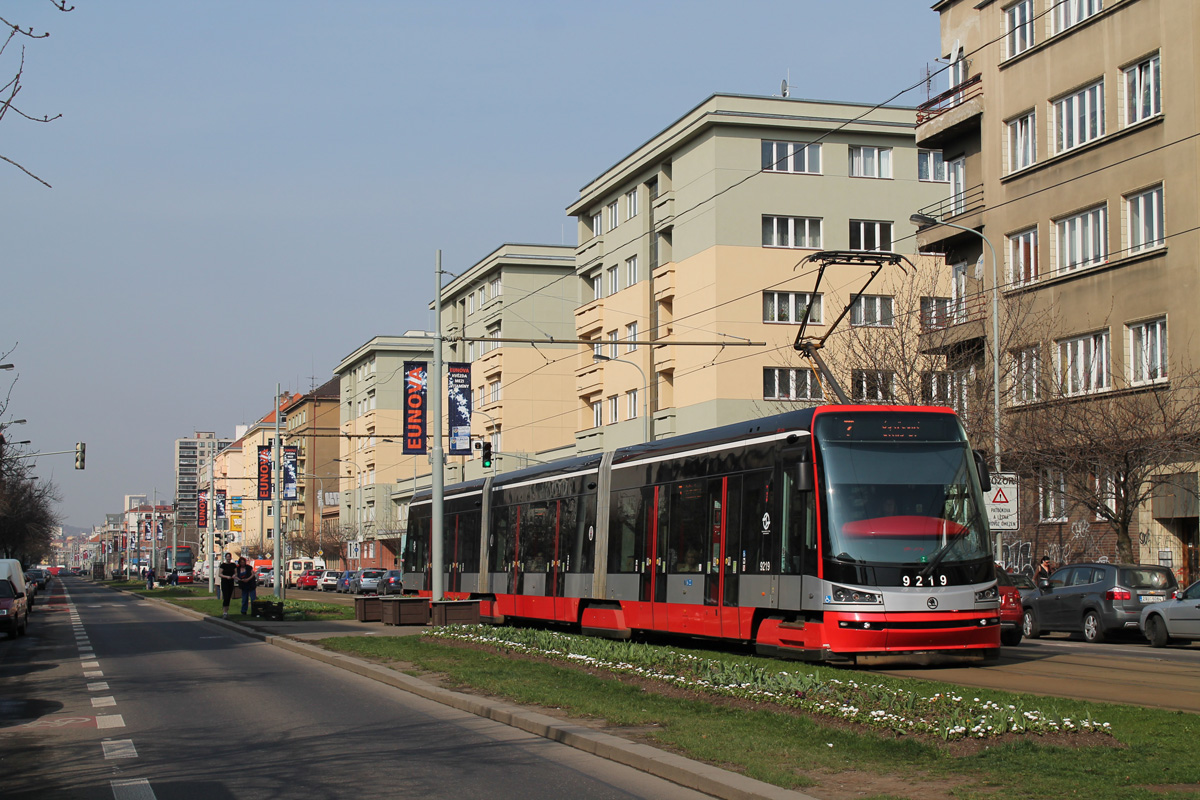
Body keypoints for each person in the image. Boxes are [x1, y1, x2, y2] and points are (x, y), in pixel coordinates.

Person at [218, 553, 237, 618]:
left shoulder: (233, 565)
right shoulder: (223, 565)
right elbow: (220, 574)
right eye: (227, 557)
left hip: (231, 582)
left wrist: (235, 575)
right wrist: (226, 577)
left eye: (229, 557)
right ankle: (224, 612)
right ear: (225, 557)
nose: (228, 558)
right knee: (225, 596)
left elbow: (236, 572)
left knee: (229, 597)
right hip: (225, 582)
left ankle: (227, 611)